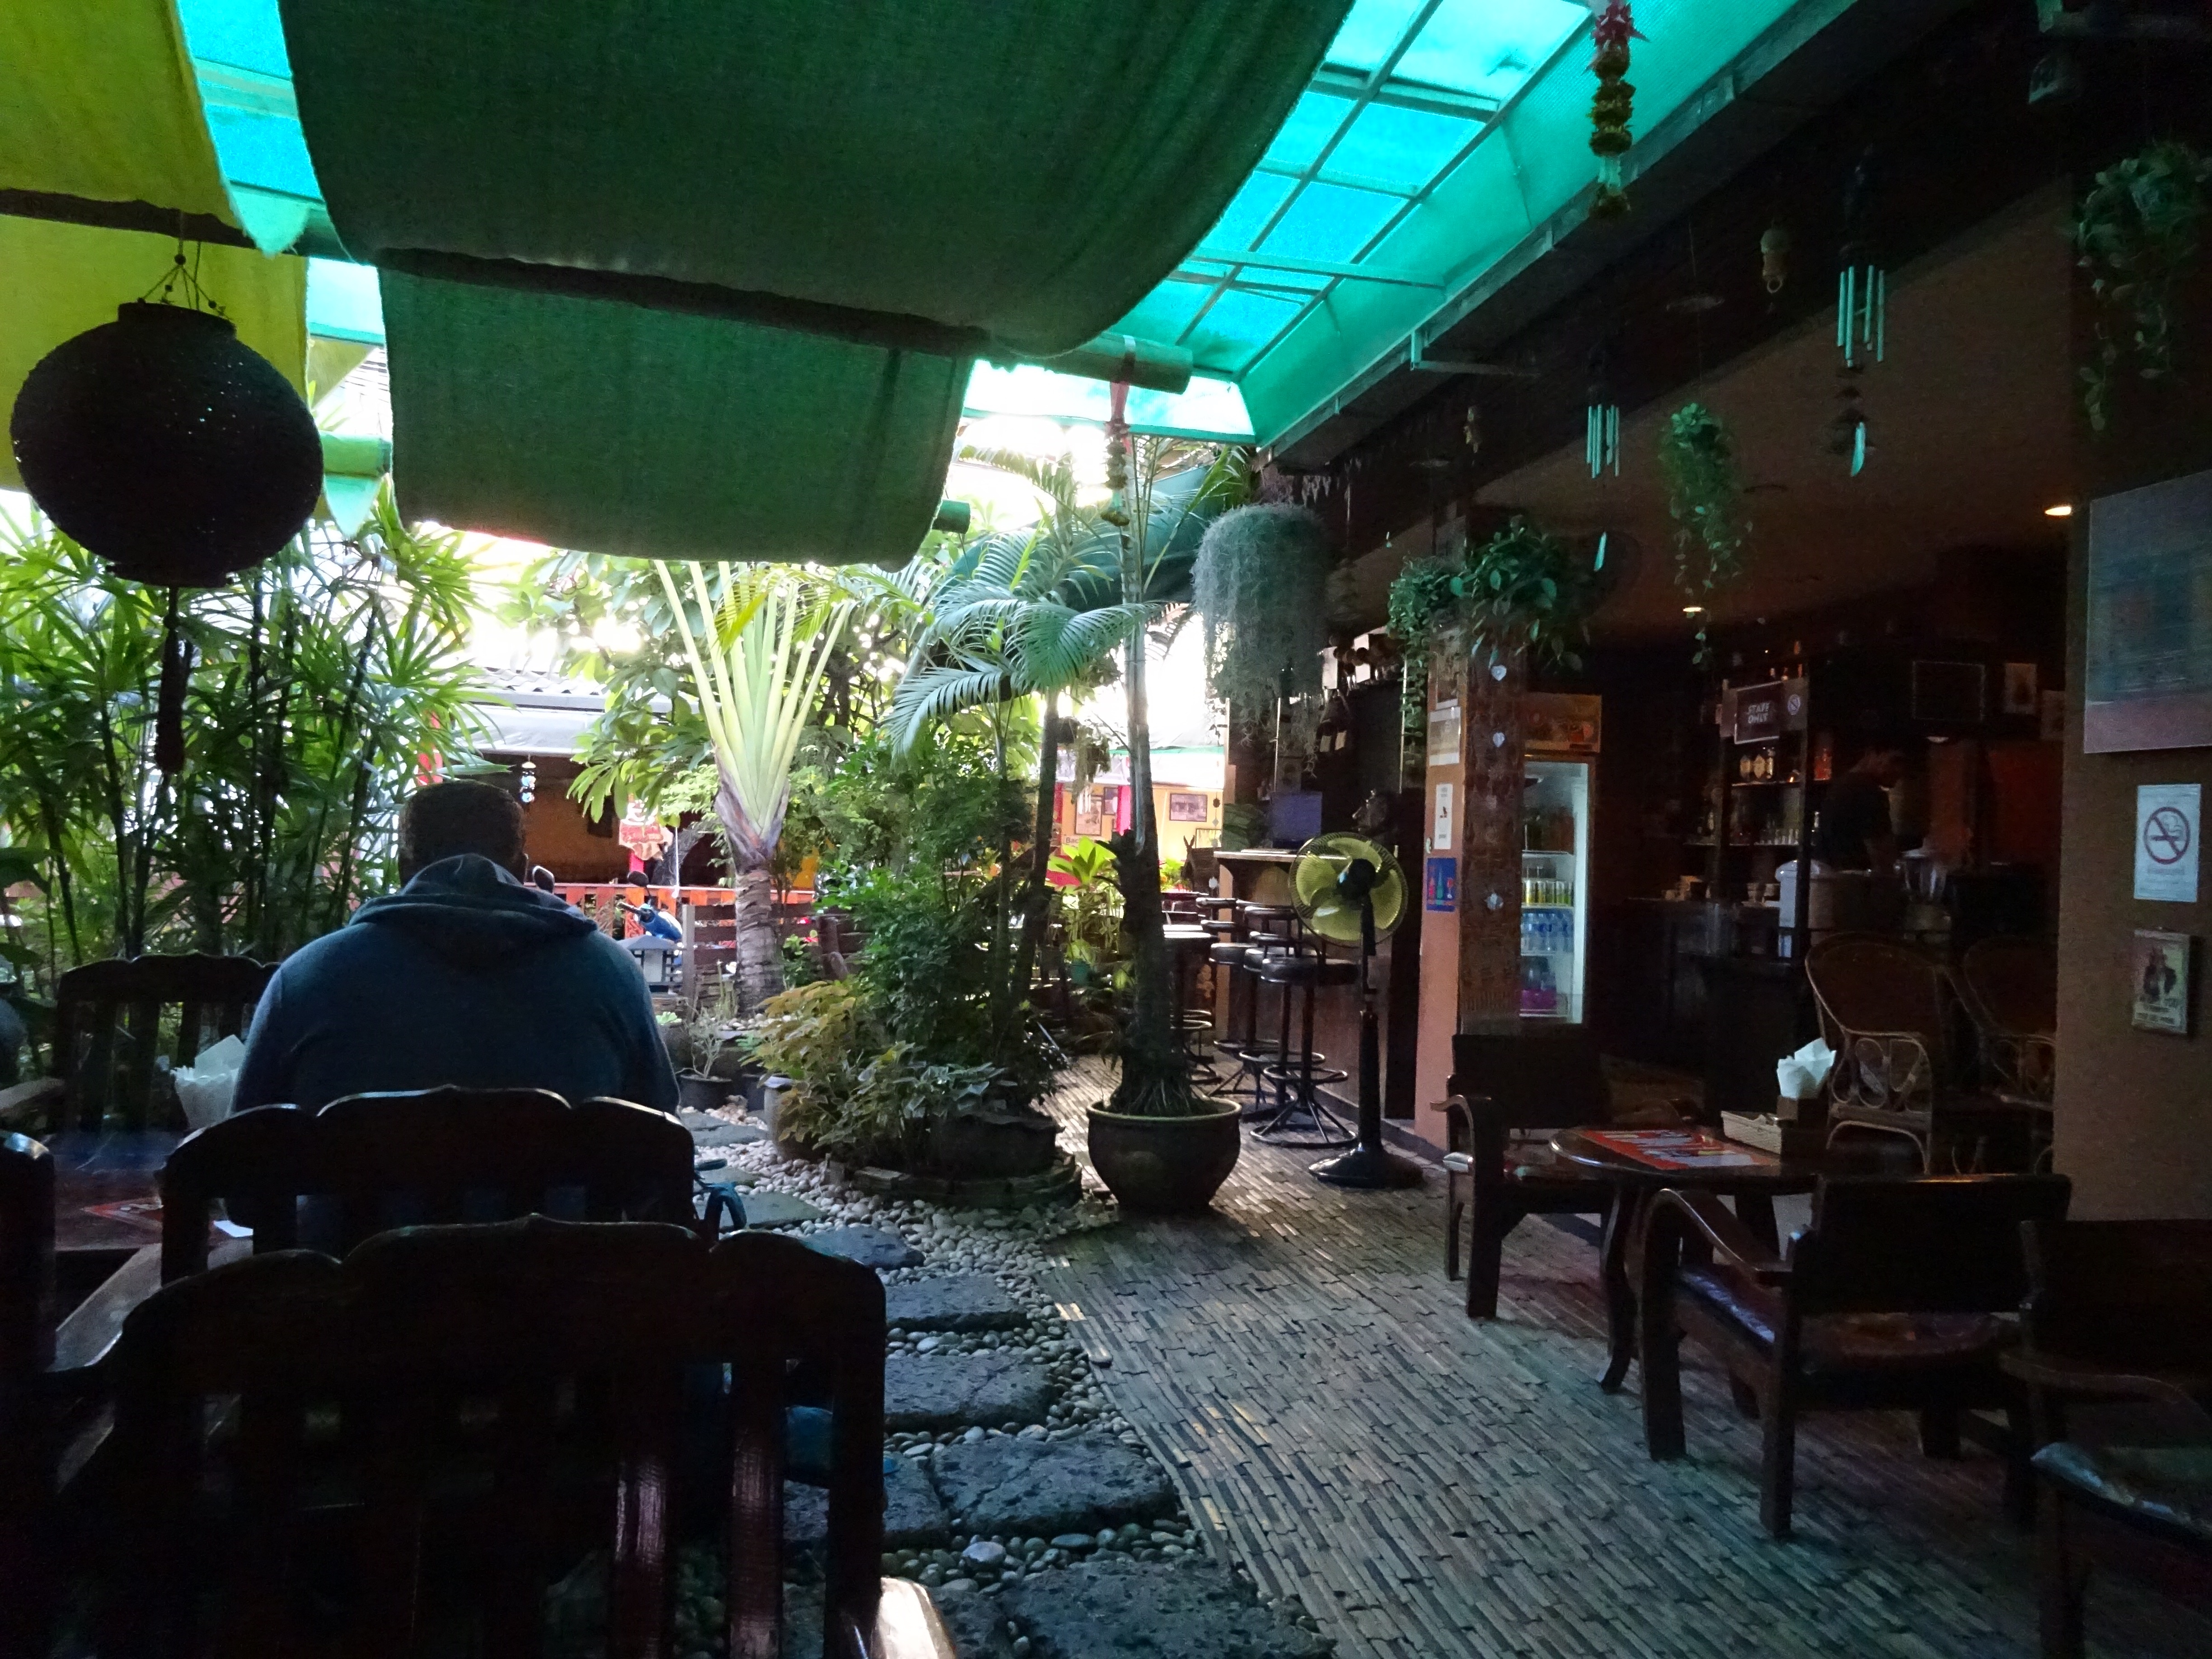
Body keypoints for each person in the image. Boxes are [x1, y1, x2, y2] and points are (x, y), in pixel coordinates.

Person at [234, 779, 678, 1113]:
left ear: (403, 868)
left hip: (355, 1217)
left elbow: (247, 1174)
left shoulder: (309, 977)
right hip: (562, 1217)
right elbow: (655, 1147)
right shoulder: (610, 974)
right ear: (522, 869)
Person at [1811, 737, 1907, 874]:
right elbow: (1881, 853)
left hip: (1827, 876)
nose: (1900, 770)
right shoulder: (1869, 791)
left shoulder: (1840, 785)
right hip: (1853, 880)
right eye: (1895, 761)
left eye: (1903, 764)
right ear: (1871, 754)